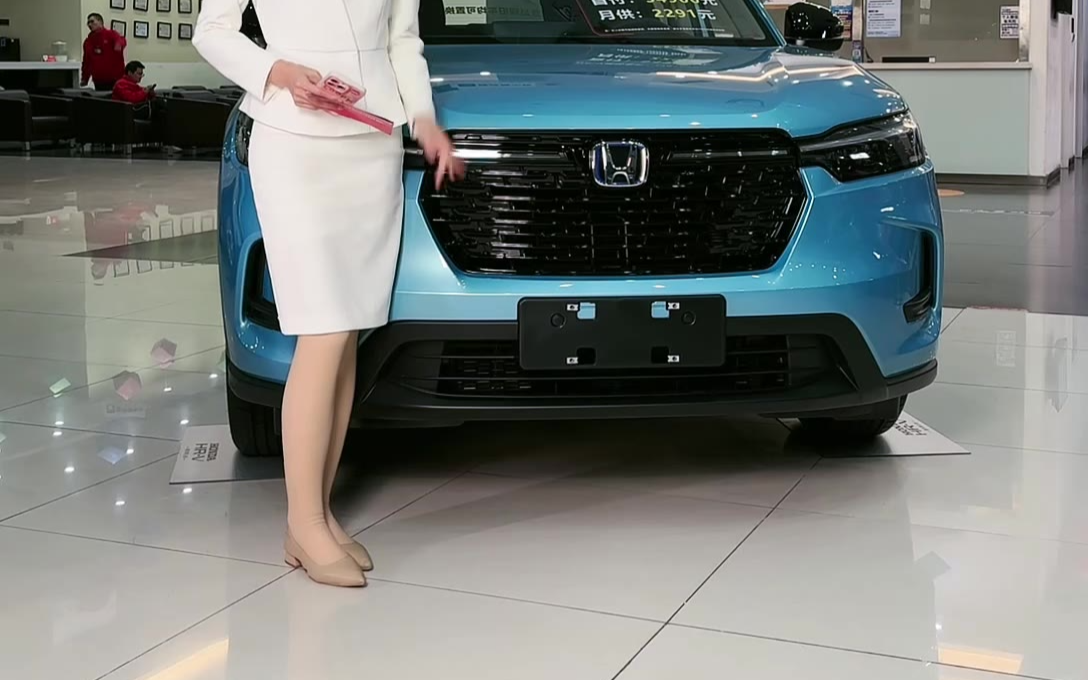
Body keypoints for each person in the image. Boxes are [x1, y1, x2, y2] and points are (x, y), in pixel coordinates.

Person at [192, 0, 462, 588]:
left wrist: (424, 118)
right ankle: (305, 520)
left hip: (372, 144)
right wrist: (280, 72)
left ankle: (316, 515)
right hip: (294, 141)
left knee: (347, 332)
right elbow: (210, 31)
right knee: (323, 329)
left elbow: (402, 40)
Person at [81, 13, 127, 91]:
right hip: (98, 81)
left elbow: (122, 40)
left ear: (100, 22)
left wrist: (119, 44)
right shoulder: (88, 42)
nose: (89, 24)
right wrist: (85, 78)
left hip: (115, 80)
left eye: (92, 21)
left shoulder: (111, 34)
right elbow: (86, 62)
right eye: (88, 23)